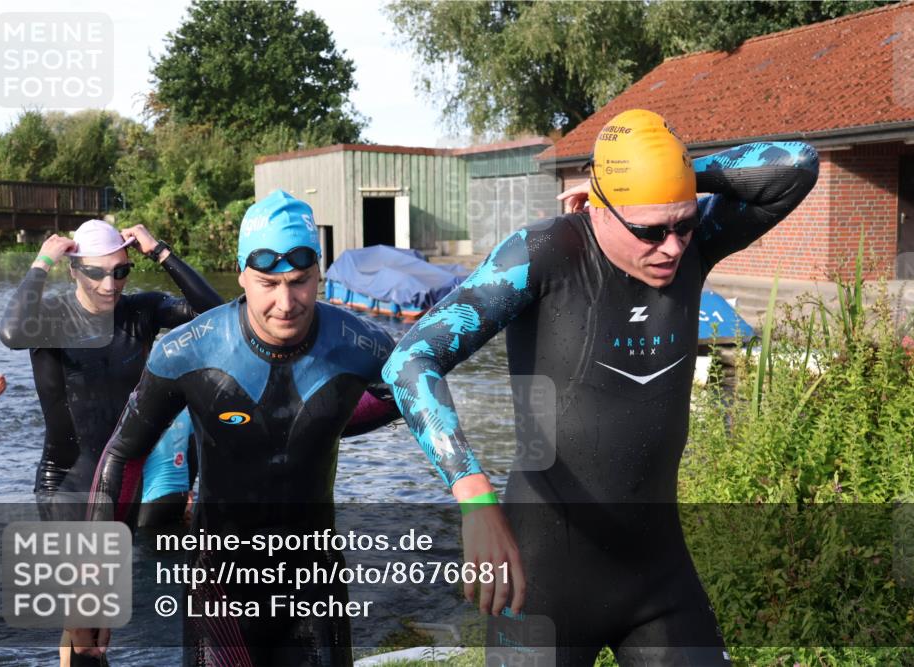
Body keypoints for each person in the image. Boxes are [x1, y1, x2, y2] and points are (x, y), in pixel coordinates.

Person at [382, 109, 819, 666]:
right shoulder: (544, 254)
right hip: (542, 576)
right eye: (650, 231)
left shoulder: (695, 245)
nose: (672, 248)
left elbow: (797, 163)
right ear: (596, 206)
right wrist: (474, 499)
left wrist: (683, 176)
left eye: (683, 223)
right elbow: (410, 360)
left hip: (657, 574)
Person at [78, 190, 400, 665]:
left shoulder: (360, 345)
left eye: (301, 281)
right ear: (242, 274)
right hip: (221, 588)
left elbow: (407, 399)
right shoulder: (187, 350)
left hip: (315, 586)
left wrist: (317, 419)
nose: (286, 302)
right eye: (268, 282)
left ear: (320, 274)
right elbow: (124, 454)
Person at [0, 219, 222, 666]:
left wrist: (161, 252)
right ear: (75, 270)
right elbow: (10, 332)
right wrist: (41, 260)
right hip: (67, 478)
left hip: (119, 479)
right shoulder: (51, 318)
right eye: (98, 272)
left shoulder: (141, 312)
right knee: (85, 618)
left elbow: (216, 315)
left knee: (99, 620)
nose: (110, 283)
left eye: (120, 271)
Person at [138, 409, 198, 528]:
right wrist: (189, 490)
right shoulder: (186, 411)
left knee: (144, 544)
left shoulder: (144, 408)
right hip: (181, 496)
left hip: (153, 497)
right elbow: (193, 455)